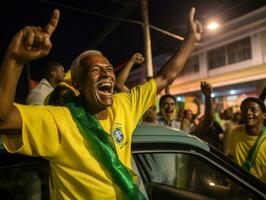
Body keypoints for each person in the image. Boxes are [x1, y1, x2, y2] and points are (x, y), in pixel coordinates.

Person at [0, 7, 202, 199]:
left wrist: (191, 39)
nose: (106, 73)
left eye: (109, 69)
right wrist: (15, 60)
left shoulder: (124, 105)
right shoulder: (60, 121)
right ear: (77, 84)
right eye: (95, 70)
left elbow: (165, 77)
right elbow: (4, 118)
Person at [230, 97, 266, 183]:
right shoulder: (236, 132)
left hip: (259, 193)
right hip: (238, 191)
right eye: (244, 110)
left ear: (264, 115)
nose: (248, 113)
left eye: (253, 110)